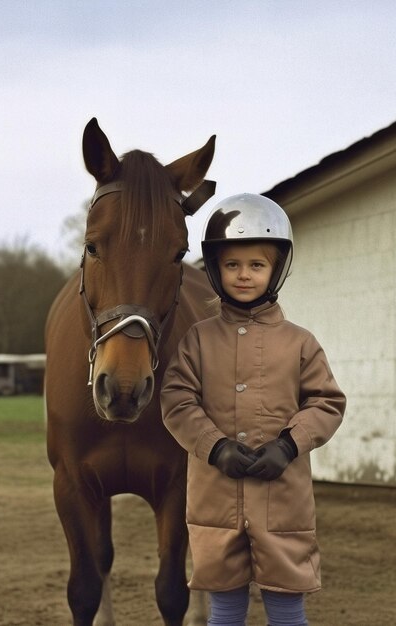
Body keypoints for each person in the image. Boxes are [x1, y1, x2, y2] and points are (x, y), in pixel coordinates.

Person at [160, 194, 346, 626]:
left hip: (282, 498)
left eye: (256, 265)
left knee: (285, 604)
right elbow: (176, 399)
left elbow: (327, 402)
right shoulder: (198, 339)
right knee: (224, 608)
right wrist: (214, 446)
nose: (244, 275)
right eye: (232, 265)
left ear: (276, 269)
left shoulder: (300, 342)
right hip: (215, 500)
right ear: (214, 270)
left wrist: (288, 444)